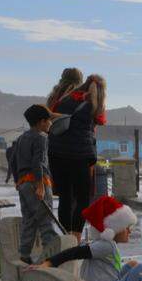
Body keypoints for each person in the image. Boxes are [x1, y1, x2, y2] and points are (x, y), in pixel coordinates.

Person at [48, 69, 106, 241]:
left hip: (56, 154)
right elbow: (101, 120)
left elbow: (52, 118)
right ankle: (76, 237)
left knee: (65, 197)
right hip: (80, 156)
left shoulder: (60, 99)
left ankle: (66, 237)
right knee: (82, 198)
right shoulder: (91, 102)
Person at [13, 105, 60, 264]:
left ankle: (25, 255)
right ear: (41, 122)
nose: (50, 124)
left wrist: (17, 182)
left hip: (23, 184)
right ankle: (52, 258)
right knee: (46, 220)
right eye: (49, 121)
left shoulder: (21, 138)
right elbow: (38, 162)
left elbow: (13, 161)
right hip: (37, 183)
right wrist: (40, 186)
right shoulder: (41, 137)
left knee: (29, 220)